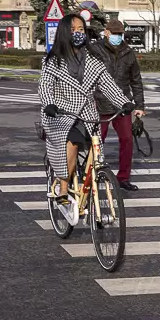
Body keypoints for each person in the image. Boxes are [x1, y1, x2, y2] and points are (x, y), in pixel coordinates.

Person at [38, 14, 132, 201]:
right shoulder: (54, 61)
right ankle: (63, 187)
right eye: (73, 30)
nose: (78, 33)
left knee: (95, 149)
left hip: (87, 114)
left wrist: (124, 102)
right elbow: (45, 85)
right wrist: (48, 103)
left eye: (81, 29)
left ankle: (89, 189)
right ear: (65, 33)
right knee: (72, 143)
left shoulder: (92, 61)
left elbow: (107, 84)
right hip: (61, 114)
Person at [88, 19, 147, 191]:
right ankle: (91, 174)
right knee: (97, 142)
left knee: (127, 140)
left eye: (120, 34)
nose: (117, 37)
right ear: (106, 32)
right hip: (100, 103)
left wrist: (139, 106)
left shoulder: (128, 52)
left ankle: (123, 178)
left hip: (122, 104)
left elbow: (136, 81)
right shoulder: (95, 50)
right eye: (114, 33)